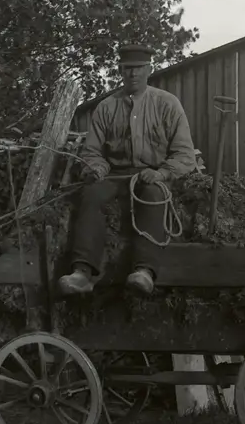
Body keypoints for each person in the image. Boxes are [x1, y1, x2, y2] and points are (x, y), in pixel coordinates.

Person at [58, 44, 198, 297]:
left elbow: (184, 154)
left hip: (152, 174)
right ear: (120, 71)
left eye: (139, 68)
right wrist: (97, 169)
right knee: (91, 194)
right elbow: (92, 152)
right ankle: (82, 272)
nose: (133, 74)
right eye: (128, 68)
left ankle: (144, 271)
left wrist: (162, 173)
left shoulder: (167, 104)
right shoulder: (106, 107)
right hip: (115, 174)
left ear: (149, 69)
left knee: (154, 194)